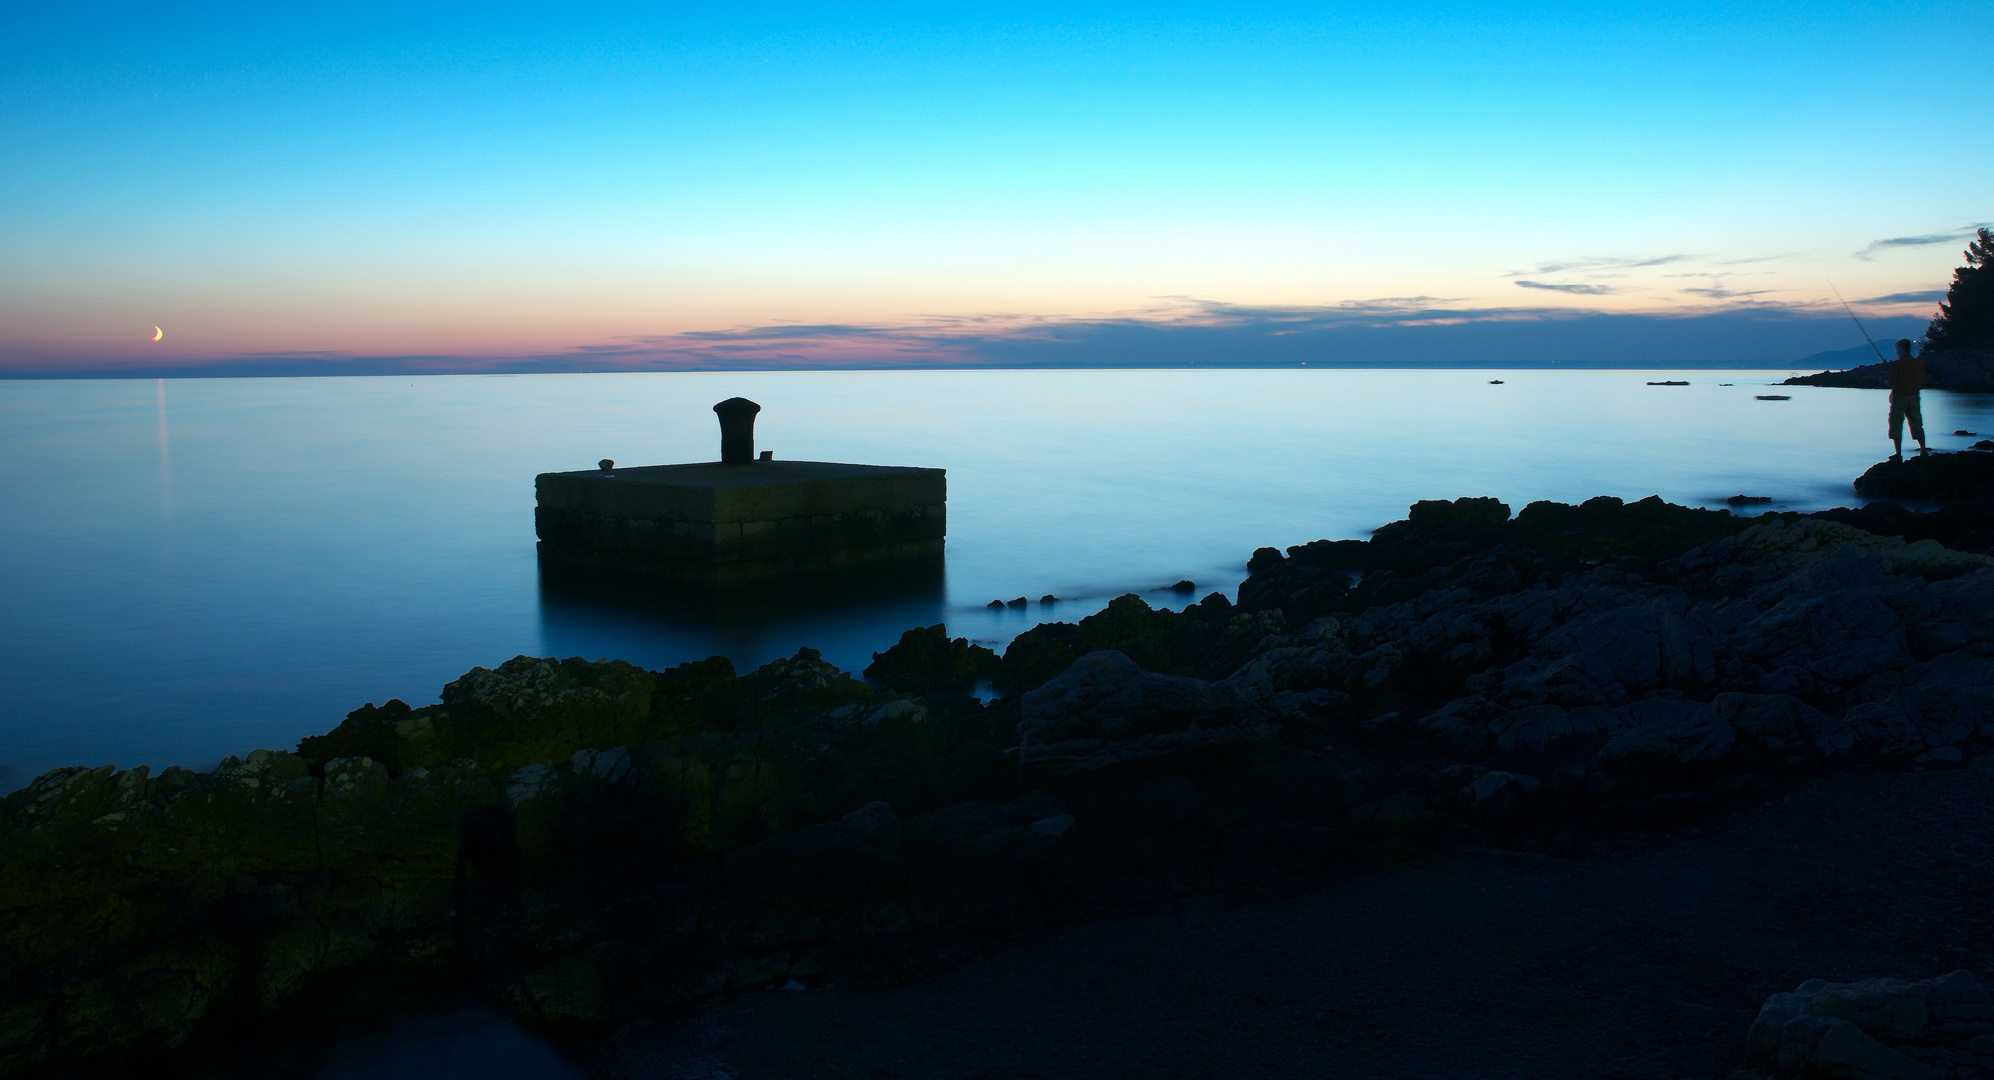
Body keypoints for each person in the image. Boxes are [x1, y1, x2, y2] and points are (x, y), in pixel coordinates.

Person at [1888, 338, 1927, 459]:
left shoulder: (1897, 365)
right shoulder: (1919, 364)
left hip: (1900, 397)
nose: (1896, 352)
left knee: (1896, 424)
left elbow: (1891, 381)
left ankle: (1898, 454)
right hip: (1914, 396)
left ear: (1902, 350)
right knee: (1917, 423)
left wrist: (1883, 380)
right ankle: (1923, 450)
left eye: (1897, 350)